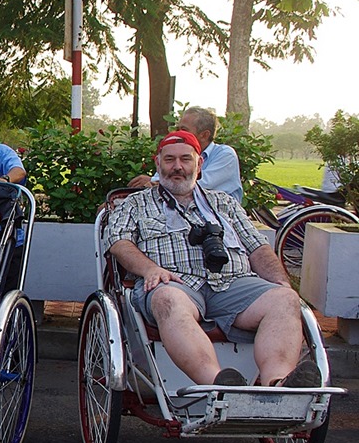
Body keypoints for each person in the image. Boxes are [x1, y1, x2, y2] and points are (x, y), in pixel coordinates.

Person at [107, 130, 321, 388]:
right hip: (174, 283)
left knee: (286, 298)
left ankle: (277, 383)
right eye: (169, 160)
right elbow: (119, 242)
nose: (177, 167)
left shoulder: (224, 203)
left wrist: (280, 282)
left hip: (232, 284)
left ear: (200, 164)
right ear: (157, 163)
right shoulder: (135, 204)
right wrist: (150, 269)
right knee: (168, 299)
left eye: (186, 159)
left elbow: (257, 248)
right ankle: (219, 385)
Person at [129, 106, 243, 202]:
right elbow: (160, 178)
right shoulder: (177, 153)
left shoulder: (225, 155)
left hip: (222, 218)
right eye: (177, 128)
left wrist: (153, 183)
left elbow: (196, 185)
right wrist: (151, 182)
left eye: (183, 129)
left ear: (204, 135)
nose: (178, 133)